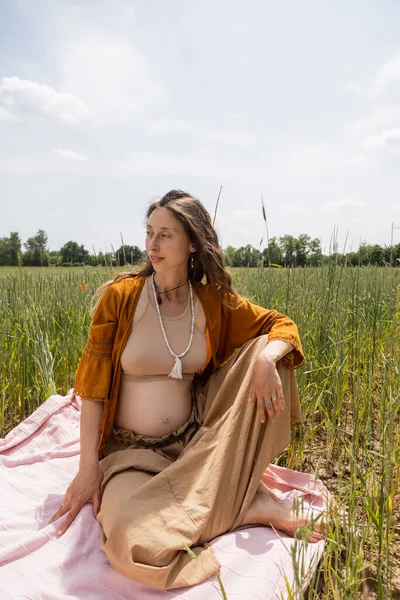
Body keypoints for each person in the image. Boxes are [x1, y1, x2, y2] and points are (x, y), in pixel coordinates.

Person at [49, 189, 324, 590]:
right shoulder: (121, 298)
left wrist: (265, 359)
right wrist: (88, 467)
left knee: (270, 351)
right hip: (130, 452)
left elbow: (282, 326)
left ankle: (234, 502)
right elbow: (91, 390)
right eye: (149, 233)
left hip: (193, 444)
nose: (152, 245)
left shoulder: (211, 302)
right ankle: (243, 508)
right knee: (133, 537)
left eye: (166, 234)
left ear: (193, 242)